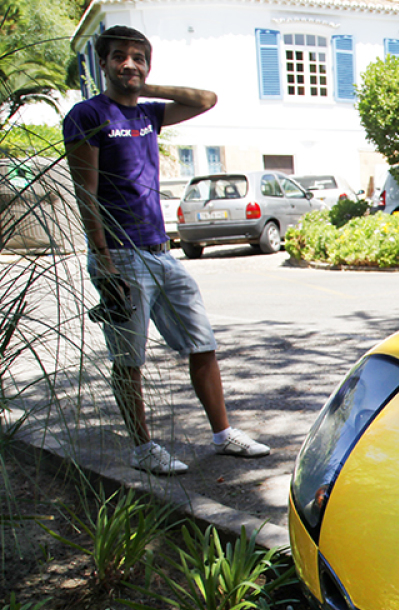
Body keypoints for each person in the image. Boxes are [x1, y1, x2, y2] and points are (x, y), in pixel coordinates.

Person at [63, 25, 268, 475]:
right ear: (104, 62)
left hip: (161, 253)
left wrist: (141, 86)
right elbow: (87, 193)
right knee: (129, 359)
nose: (129, 64)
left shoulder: (148, 115)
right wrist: (104, 260)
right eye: (120, 57)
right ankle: (143, 448)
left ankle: (222, 434)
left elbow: (206, 99)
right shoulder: (88, 114)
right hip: (120, 253)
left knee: (202, 343)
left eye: (139, 57)